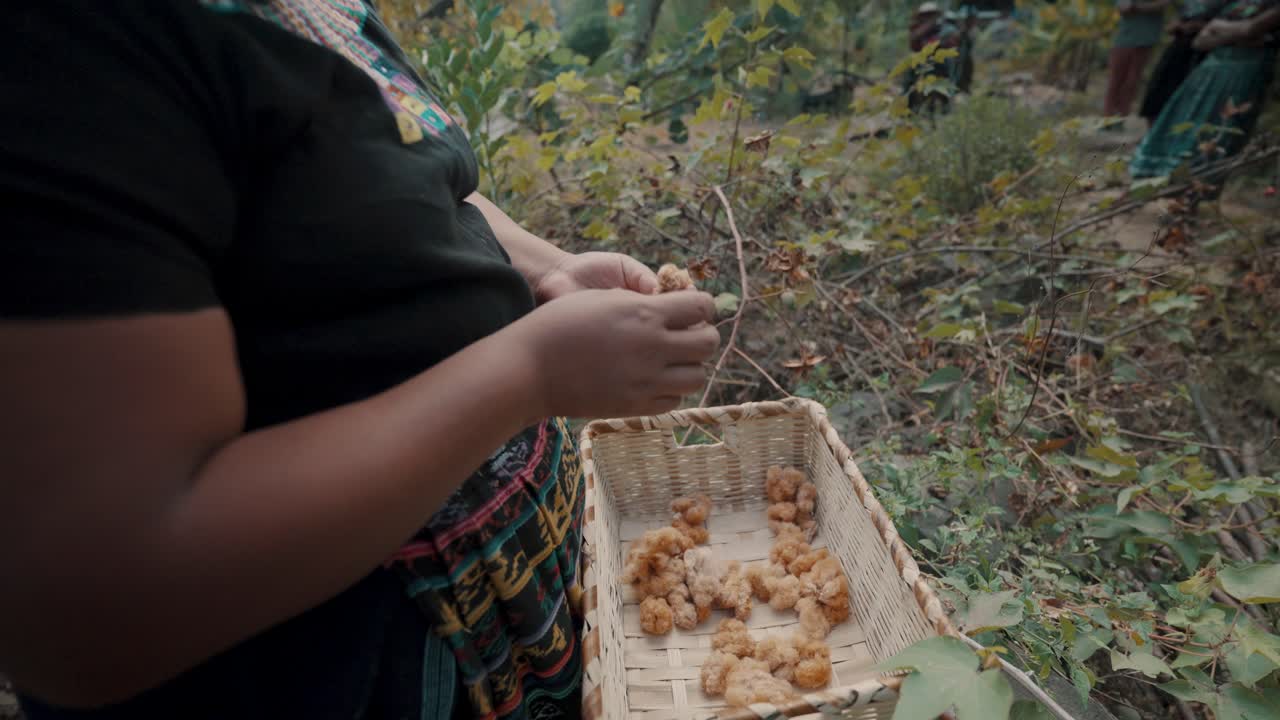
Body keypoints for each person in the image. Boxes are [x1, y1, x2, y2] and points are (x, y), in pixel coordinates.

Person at [0, 2, 721, 719]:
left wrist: (546, 269)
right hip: (331, 673)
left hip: (503, 601)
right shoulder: (65, 61)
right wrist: (530, 373)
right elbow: (93, 612)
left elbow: (412, 182)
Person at [1130, 0, 1280, 178]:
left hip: (1244, 74)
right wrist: (1236, 34)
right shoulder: (1236, 4)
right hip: (1209, 69)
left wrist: (1221, 30)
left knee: (1222, 131)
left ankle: (1198, 190)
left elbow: (1249, 29)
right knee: (1185, 122)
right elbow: (1201, 41)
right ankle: (1168, 181)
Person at [1138, 0, 1232, 127]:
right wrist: (1178, 26)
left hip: (1202, 53)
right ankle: (1152, 134)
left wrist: (1198, 26)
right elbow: (1173, 23)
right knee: (1158, 93)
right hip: (1178, 49)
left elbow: (1229, 24)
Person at [1104, 0, 1171, 121]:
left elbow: (1163, 4)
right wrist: (1147, 7)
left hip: (1147, 40)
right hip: (1125, 39)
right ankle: (1107, 116)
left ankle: (1121, 116)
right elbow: (1124, 8)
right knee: (1116, 80)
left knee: (1132, 81)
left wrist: (1136, 7)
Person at [904, 2, 965, 114]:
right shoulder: (917, 28)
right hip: (922, 60)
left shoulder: (945, 28)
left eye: (930, 15)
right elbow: (913, 42)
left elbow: (954, 41)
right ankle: (908, 102)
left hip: (939, 60)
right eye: (925, 15)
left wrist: (940, 42)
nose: (928, 17)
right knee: (909, 73)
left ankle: (948, 99)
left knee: (949, 67)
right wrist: (926, 28)